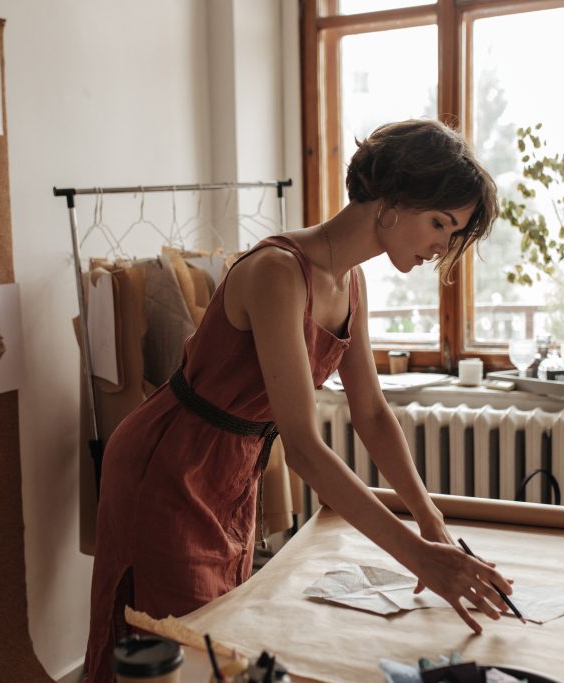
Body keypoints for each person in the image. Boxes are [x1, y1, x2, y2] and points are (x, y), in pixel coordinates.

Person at [84, 119, 508, 682]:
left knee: (217, 642)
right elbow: (305, 448)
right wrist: (417, 556)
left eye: (452, 233)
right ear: (392, 200)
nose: (442, 247)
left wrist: (433, 525)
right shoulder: (278, 272)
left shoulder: (353, 282)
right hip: (167, 463)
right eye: (440, 224)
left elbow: (373, 414)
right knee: (173, 653)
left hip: (230, 470)